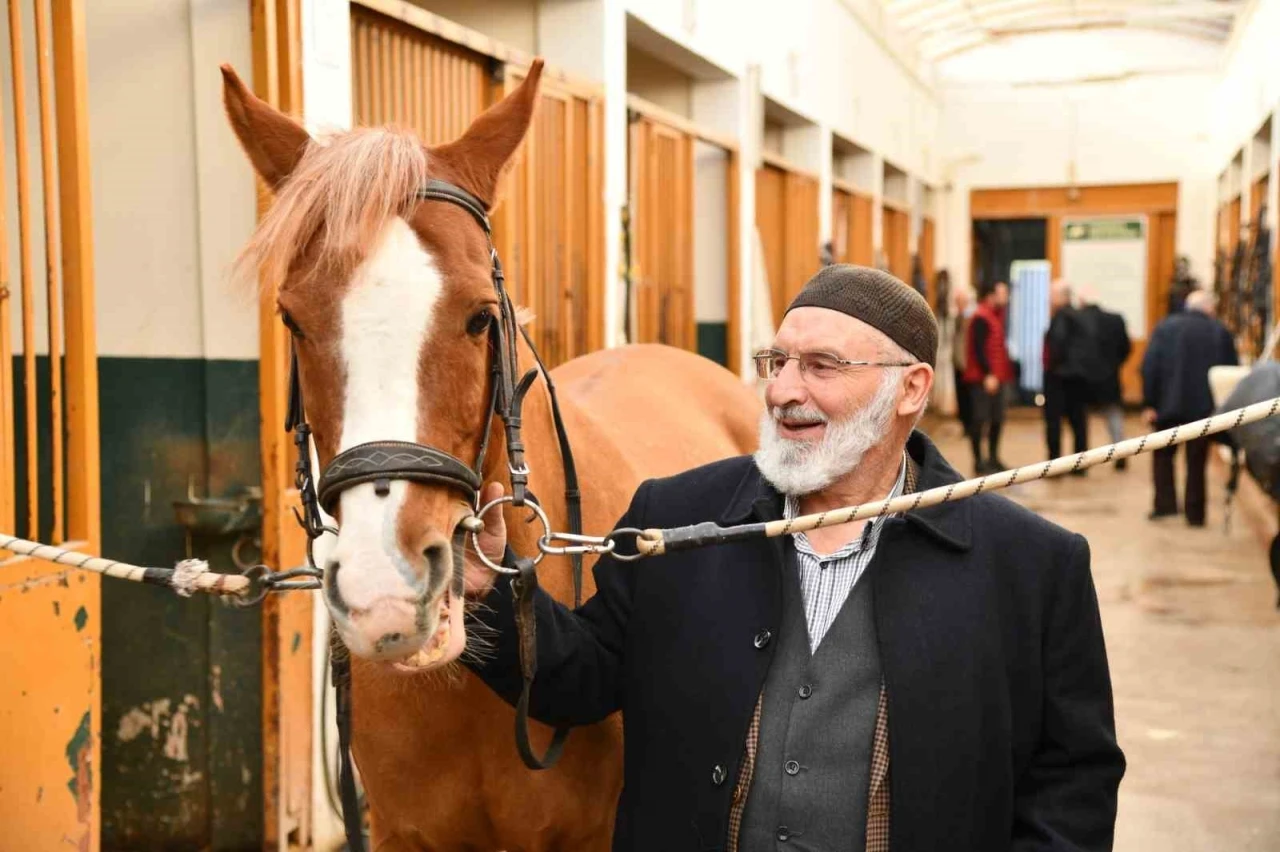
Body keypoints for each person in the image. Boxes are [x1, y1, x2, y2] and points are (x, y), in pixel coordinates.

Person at [465, 265, 1125, 852]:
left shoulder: (1032, 568)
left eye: (821, 366)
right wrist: (484, 592)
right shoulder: (675, 513)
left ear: (911, 388)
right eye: (776, 362)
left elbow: (1073, 783)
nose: (782, 390)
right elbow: (580, 678)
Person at [1141, 288, 1238, 526]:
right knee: (1197, 462)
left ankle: (1165, 506)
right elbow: (1230, 372)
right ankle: (1195, 514)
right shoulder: (1220, 331)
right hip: (1204, 409)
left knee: (1163, 457)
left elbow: (1150, 366)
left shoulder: (1165, 327)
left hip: (1167, 405)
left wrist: (1149, 403)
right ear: (1209, 308)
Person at [1077, 286, 1132, 470]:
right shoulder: (1115, 320)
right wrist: (1114, 364)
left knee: (1081, 421)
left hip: (1083, 378)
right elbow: (1126, 348)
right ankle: (1120, 453)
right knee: (1114, 416)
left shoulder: (1076, 319)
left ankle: (1082, 459)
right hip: (1109, 377)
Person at [961, 280, 1014, 474]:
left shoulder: (996, 315)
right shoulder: (981, 317)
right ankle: (979, 461)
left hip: (997, 377)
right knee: (980, 419)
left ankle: (993, 458)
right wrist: (988, 374)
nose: (1006, 297)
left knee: (997, 418)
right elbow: (979, 349)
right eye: (1003, 293)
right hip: (982, 379)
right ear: (991, 296)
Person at [1043, 280, 1095, 472]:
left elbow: (1057, 345)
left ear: (1062, 296)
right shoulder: (1079, 316)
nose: (1049, 298)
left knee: (1054, 422)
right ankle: (1080, 464)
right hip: (1078, 377)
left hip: (1060, 378)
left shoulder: (1061, 317)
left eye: (1052, 294)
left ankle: (1055, 464)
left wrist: (1052, 366)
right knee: (1078, 422)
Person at [951, 285, 975, 441]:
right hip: (957, 364)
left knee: (970, 398)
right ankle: (965, 425)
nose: (959, 304)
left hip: (968, 365)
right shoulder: (956, 318)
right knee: (961, 398)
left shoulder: (971, 318)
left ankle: (972, 427)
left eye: (961, 301)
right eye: (957, 301)